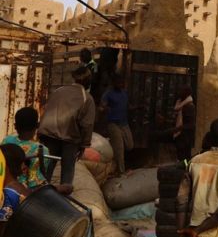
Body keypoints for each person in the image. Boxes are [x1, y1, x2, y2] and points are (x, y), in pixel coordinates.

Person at [39, 66, 95, 194]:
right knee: (67, 171)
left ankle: (41, 197)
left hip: (48, 135)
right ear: (88, 82)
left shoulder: (59, 90)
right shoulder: (87, 98)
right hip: (69, 139)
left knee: (45, 171)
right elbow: (87, 124)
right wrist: (84, 145)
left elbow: (46, 109)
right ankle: (62, 200)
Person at [1, 107, 50, 188]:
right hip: (25, 194)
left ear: (15, 126)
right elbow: (36, 181)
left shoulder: (7, 140)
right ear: (37, 125)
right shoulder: (42, 149)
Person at [100, 74, 133, 175]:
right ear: (114, 83)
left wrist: (138, 108)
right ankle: (120, 171)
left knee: (130, 145)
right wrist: (105, 109)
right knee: (119, 148)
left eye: (121, 82)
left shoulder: (124, 93)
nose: (120, 84)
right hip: (113, 123)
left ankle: (111, 145)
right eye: (118, 82)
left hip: (124, 123)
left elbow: (127, 106)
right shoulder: (108, 93)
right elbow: (101, 107)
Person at [173, 85, 196, 162]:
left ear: (186, 93)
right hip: (181, 134)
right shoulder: (180, 104)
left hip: (185, 135)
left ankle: (184, 170)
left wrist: (179, 128)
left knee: (184, 157)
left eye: (181, 91)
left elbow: (191, 124)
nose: (179, 93)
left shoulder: (189, 106)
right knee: (180, 155)